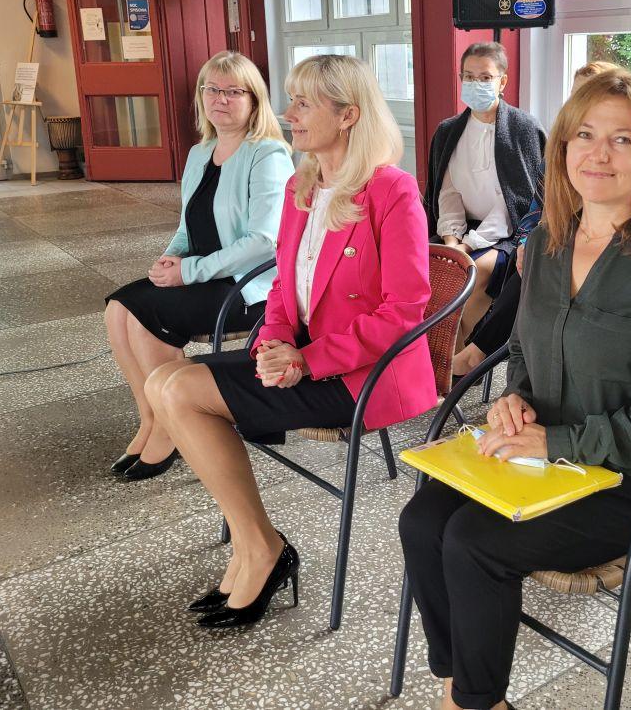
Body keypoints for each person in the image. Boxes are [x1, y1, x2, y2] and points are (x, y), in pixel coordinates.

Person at [400, 69, 631, 710]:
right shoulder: (546, 240)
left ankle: (474, 700)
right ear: (564, 145)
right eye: (585, 135)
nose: (599, 154)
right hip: (546, 455)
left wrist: (557, 441)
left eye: (624, 140)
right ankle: (462, 686)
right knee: (422, 520)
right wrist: (514, 397)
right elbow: (523, 346)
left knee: (474, 542)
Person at [143, 55, 437, 629]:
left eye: (304, 103)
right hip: (301, 357)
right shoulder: (303, 184)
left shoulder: (391, 190)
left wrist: (307, 358)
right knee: (162, 381)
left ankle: (260, 549)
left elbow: (403, 312)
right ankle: (256, 543)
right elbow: (283, 282)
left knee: (180, 392)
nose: (288, 113)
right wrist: (274, 342)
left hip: (363, 376)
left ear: (348, 115)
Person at [105, 51, 293, 481]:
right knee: (118, 308)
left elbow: (264, 241)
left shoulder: (267, 153)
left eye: (233, 91)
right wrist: (169, 259)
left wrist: (188, 272)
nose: (220, 99)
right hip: (204, 274)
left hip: (249, 286)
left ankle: (171, 428)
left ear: (254, 100)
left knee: (147, 316)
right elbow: (188, 224)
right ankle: (152, 417)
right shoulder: (200, 152)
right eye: (212, 89)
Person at [451, 61, 620, 377]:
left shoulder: (609, 160)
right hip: (548, 245)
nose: (579, 105)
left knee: (540, 263)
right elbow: (535, 211)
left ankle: (478, 352)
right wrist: (526, 242)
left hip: (591, 252)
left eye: (588, 96)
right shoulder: (558, 152)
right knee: (534, 258)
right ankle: (486, 356)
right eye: (575, 96)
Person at [426, 42, 547, 342]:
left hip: (508, 232)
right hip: (458, 231)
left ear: (502, 81)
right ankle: (441, 350)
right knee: (430, 267)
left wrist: (468, 247)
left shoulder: (523, 129)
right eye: (468, 77)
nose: (475, 83)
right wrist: (452, 241)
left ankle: (464, 352)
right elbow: (447, 192)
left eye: (485, 77)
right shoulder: (448, 131)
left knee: (476, 270)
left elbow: (514, 202)